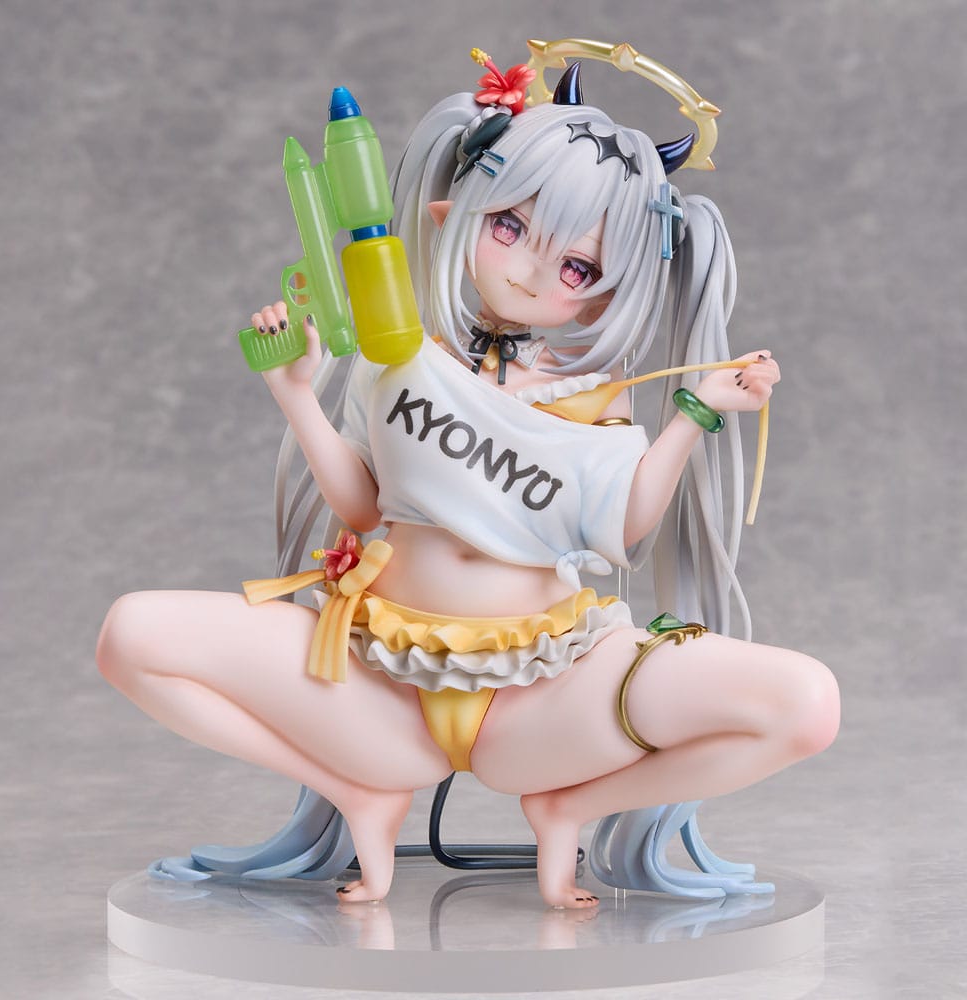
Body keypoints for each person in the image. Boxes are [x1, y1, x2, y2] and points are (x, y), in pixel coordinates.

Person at [97, 51, 839, 909]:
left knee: (806, 705)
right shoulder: (401, 355)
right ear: (456, 214)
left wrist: (697, 412)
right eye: (509, 227)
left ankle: (567, 808)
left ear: (606, 295)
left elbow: (627, 526)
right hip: (377, 681)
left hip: (549, 687)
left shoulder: (597, 398)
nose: (529, 269)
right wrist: (294, 393)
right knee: (130, 637)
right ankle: (359, 794)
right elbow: (361, 505)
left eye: (576, 267)